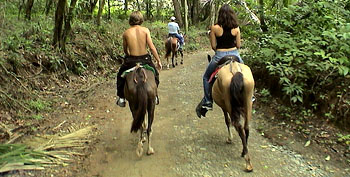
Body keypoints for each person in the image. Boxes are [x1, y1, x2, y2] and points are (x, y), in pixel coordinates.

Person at [200, 4, 243, 110]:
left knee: (206, 77)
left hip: (220, 56)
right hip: (235, 54)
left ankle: (208, 101)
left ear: (220, 15)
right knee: (247, 73)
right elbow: (238, 45)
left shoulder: (214, 28)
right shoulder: (236, 28)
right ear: (232, 15)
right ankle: (250, 96)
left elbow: (213, 46)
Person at [116, 11, 162, 107]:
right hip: (145, 59)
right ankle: (155, 95)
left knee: (120, 75)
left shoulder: (126, 33)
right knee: (155, 74)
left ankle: (121, 98)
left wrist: (128, 55)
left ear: (130, 20)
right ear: (141, 20)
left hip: (131, 60)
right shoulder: (145, 30)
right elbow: (152, 47)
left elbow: (125, 49)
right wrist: (158, 60)